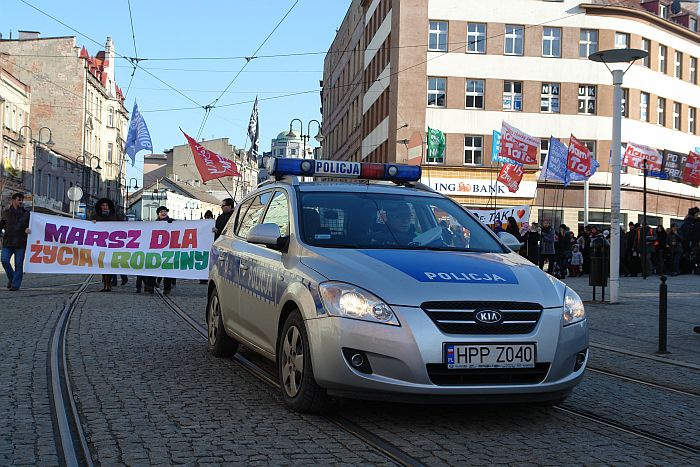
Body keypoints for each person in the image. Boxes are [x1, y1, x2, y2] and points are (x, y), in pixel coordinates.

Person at [1, 193, 31, 291]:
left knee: (18, 264)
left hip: (21, 243)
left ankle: (15, 285)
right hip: (8, 242)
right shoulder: (5, 213)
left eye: (22, 200)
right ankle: (12, 278)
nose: (21, 202)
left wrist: (29, 229)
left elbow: (32, 225)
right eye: (19, 200)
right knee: (4, 260)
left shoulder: (27, 213)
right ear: (13, 201)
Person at [91, 198, 122, 291]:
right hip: (101, 245)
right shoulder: (96, 217)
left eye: (106, 205)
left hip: (113, 245)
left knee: (109, 265)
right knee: (102, 265)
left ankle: (109, 283)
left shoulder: (115, 216)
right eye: (103, 205)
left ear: (109, 207)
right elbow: (89, 228)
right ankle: (106, 284)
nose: (105, 207)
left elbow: (124, 226)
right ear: (100, 207)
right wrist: (92, 223)